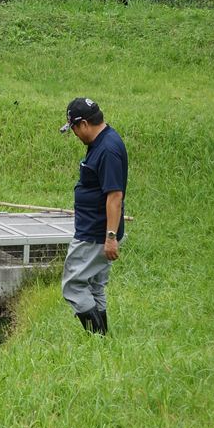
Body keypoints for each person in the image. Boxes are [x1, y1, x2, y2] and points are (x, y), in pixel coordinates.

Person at [60, 97, 127, 335]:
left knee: (73, 285)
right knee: (95, 285)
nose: (76, 135)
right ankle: (103, 341)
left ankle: (96, 336)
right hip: (96, 229)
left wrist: (110, 236)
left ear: (84, 124)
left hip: (95, 234)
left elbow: (115, 196)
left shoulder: (108, 149)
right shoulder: (102, 142)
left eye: (75, 129)